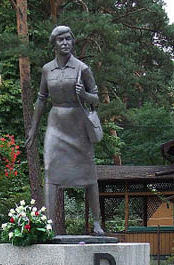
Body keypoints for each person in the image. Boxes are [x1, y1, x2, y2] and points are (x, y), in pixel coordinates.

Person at [25, 25, 104, 235]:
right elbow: (41, 99)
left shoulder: (82, 68)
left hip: (78, 124)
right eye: (61, 40)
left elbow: (96, 99)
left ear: (72, 41)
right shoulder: (47, 69)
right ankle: (49, 224)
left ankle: (97, 223)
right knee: (50, 169)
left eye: (68, 39)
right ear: (54, 43)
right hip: (56, 123)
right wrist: (33, 128)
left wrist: (85, 96)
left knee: (89, 173)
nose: (65, 43)